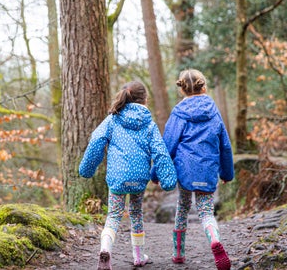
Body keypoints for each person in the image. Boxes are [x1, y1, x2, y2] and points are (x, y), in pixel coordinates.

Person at [79, 81, 177, 270]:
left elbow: (96, 141)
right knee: (136, 213)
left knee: (114, 215)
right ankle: (139, 256)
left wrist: (87, 169)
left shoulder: (113, 120)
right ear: (145, 100)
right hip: (139, 179)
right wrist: (168, 180)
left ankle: (105, 249)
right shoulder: (149, 123)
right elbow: (160, 152)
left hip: (117, 177)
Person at [157, 69, 234, 270]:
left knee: (182, 207)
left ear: (182, 89)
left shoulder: (179, 112)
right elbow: (224, 145)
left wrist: (156, 173)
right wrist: (227, 173)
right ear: (204, 86)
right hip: (207, 169)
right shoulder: (213, 111)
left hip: (185, 170)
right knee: (206, 212)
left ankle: (178, 253)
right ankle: (215, 241)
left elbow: (168, 145)